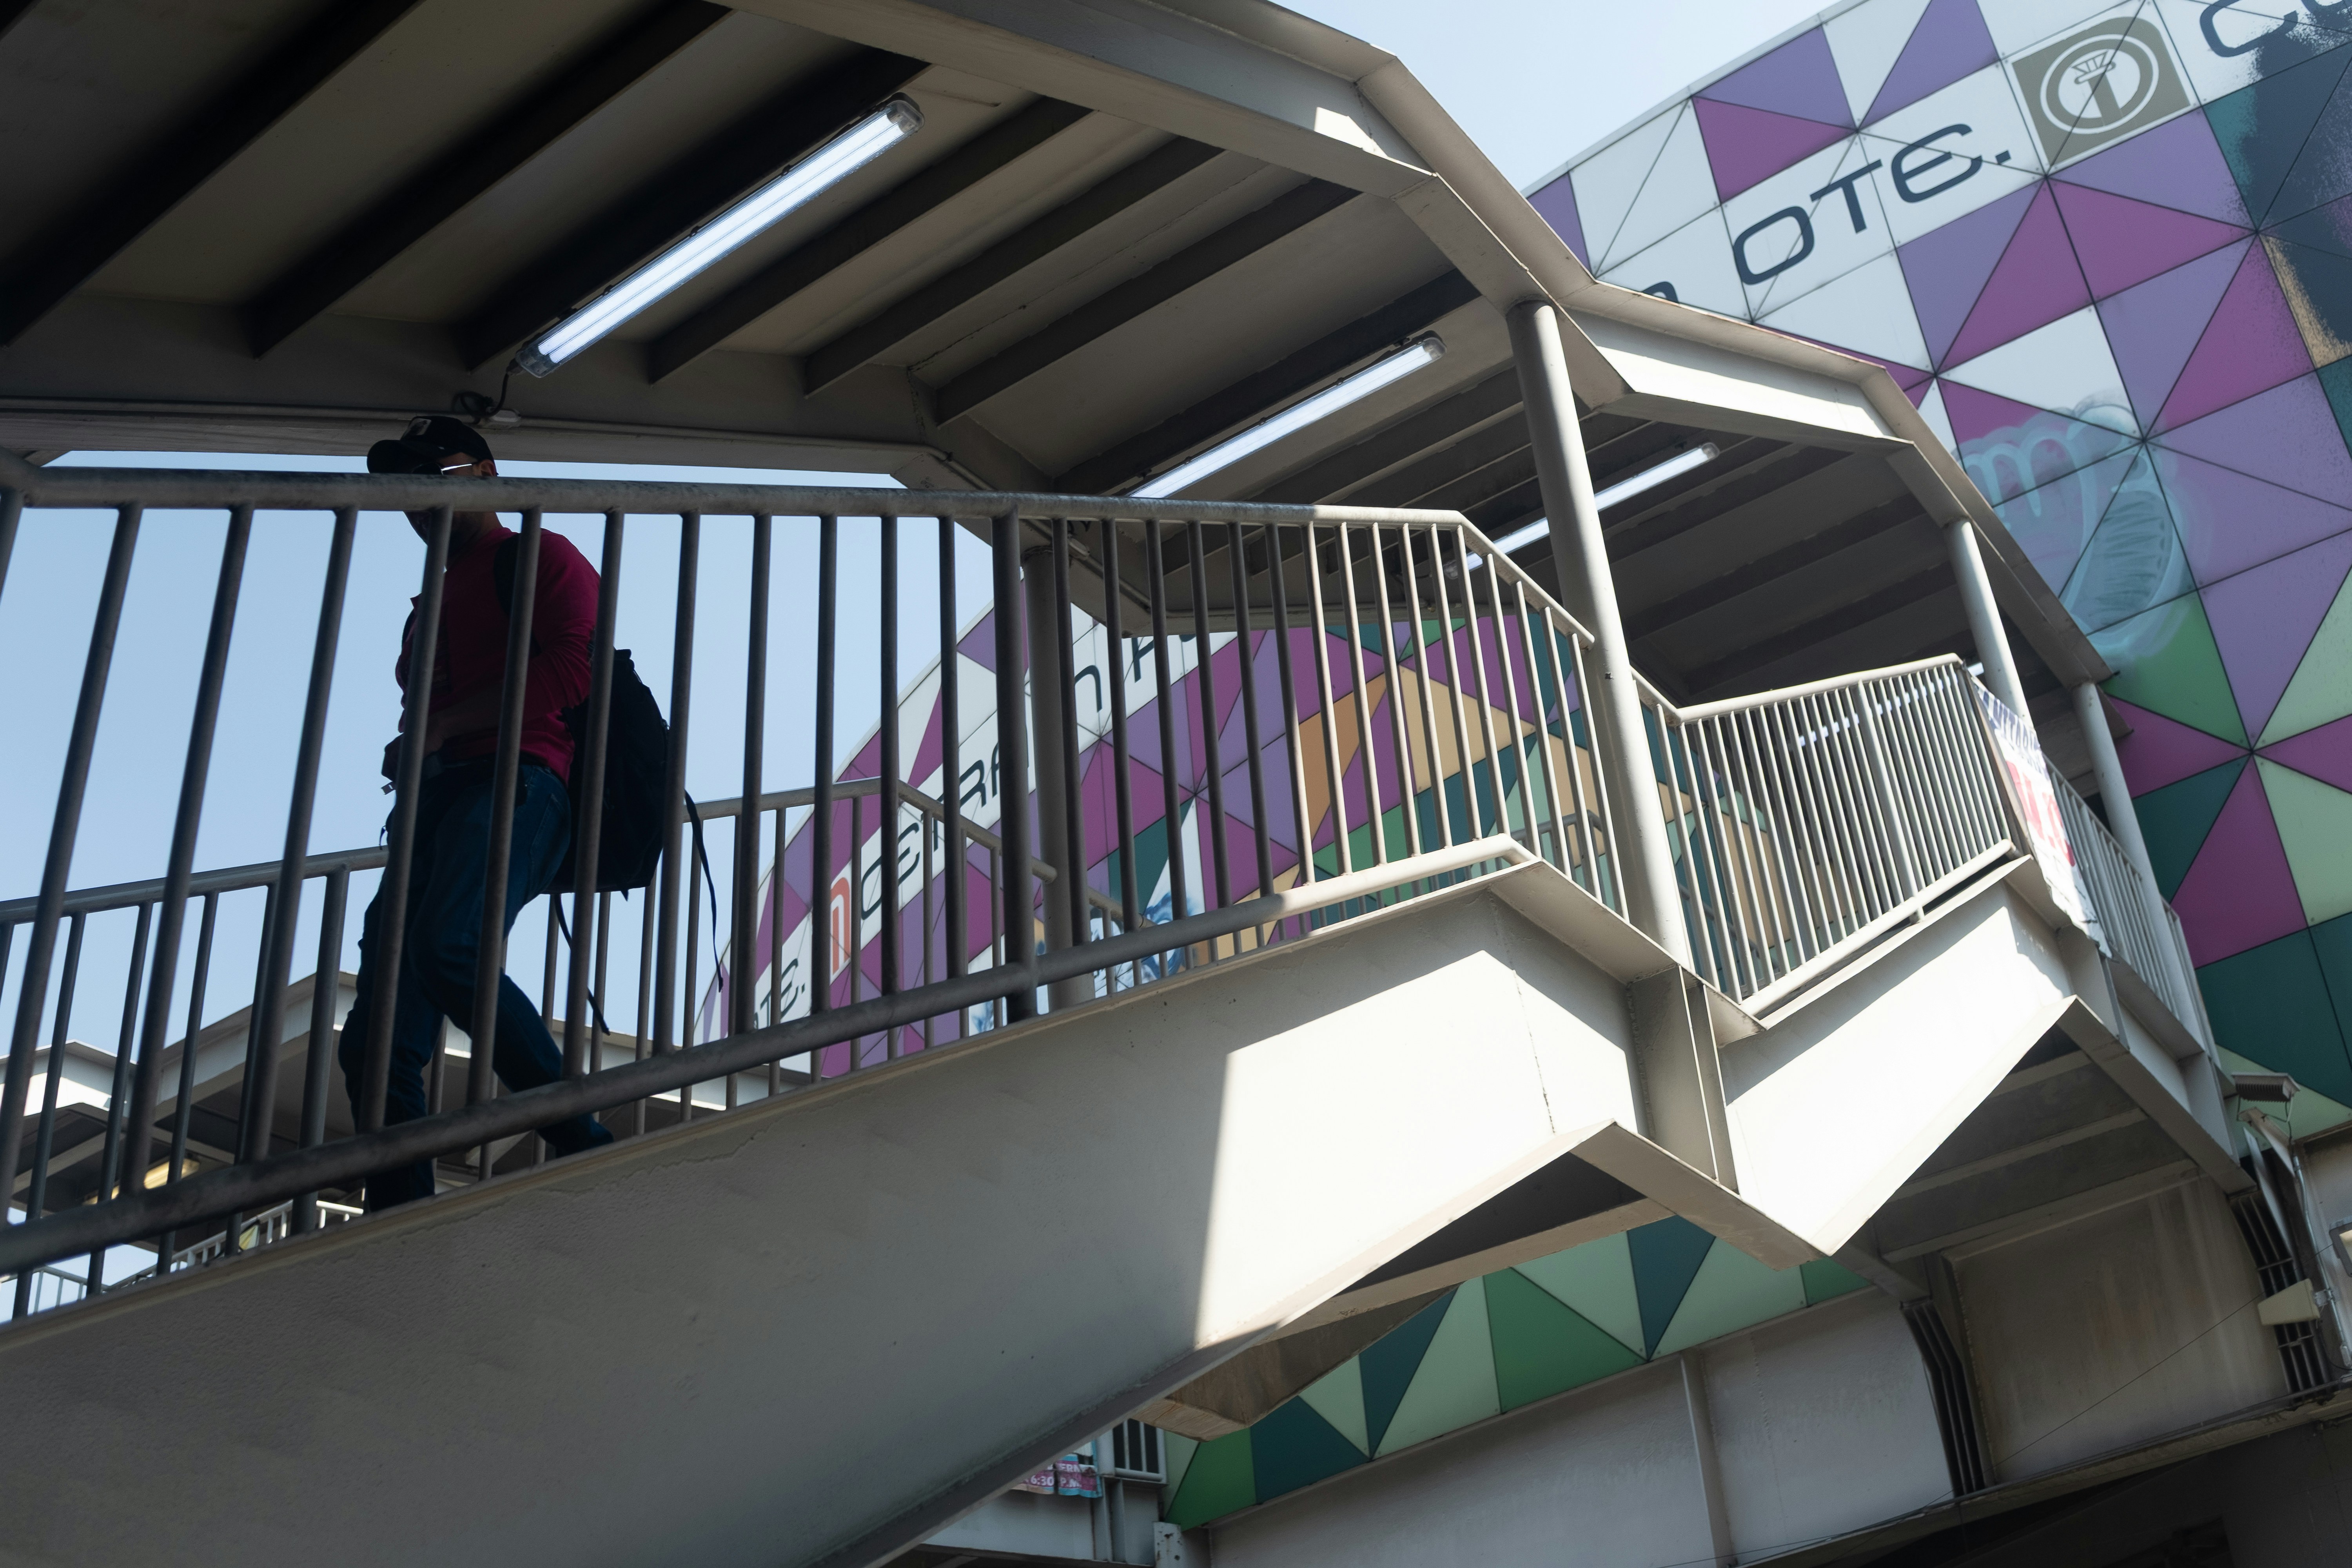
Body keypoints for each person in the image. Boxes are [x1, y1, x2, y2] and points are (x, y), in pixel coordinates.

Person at [338, 416, 613, 1210]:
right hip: (438, 801)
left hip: (520, 779)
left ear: (488, 476)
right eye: (406, 489)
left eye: (436, 477)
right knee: (378, 1034)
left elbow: (573, 667)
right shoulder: (425, 605)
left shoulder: (536, 554)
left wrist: (440, 726)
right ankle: (399, 1226)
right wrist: (416, 745)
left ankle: (581, 1137)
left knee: (449, 942)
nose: (418, 501)